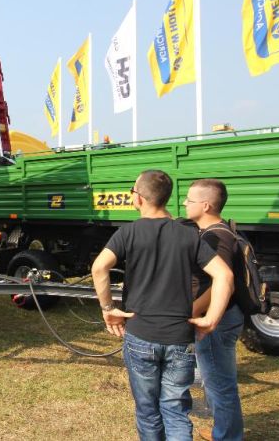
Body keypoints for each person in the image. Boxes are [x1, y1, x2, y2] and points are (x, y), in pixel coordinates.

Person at [91, 170, 234, 441]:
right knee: (176, 410)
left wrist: (108, 309)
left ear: (140, 198)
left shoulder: (128, 232)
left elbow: (100, 267)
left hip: (140, 334)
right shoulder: (189, 235)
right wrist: (211, 318)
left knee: (147, 409)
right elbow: (224, 275)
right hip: (179, 337)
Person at [185, 179, 245, 441]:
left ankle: (227, 436)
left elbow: (223, 281)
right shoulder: (221, 230)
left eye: (189, 200)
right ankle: (223, 430)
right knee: (217, 381)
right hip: (226, 317)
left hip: (216, 321)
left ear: (206, 205)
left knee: (220, 384)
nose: (185, 204)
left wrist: (193, 313)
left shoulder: (214, 236)